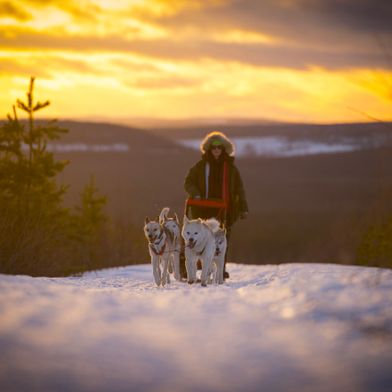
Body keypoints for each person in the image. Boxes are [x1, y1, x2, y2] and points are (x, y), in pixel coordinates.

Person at [182, 131, 249, 279]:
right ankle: (190, 269)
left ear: (224, 149)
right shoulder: (200, 166)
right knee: (198, 238)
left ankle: (220, 270)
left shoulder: (231, 169)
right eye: (213, 148)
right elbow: (188, 182)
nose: (216, 150)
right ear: (209, 149)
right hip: (202, 209)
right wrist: (196, 194)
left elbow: (239, 188)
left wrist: (243, 208)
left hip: (225, 209)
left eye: (219, 148)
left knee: (221, 239)